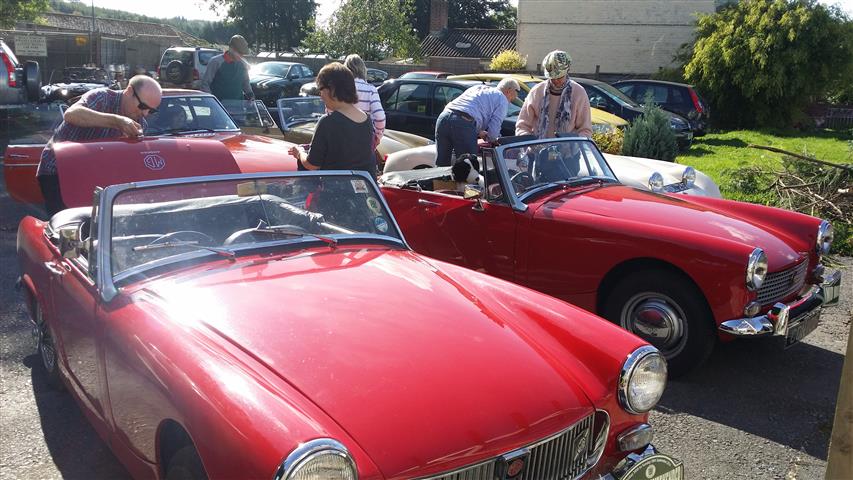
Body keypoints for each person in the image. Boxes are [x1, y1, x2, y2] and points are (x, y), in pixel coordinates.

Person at [36, 75, 162, 216]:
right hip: (57, 171)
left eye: (151, 111)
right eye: (143, 106)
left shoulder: (140, 124)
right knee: (68, 220)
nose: (145, 113)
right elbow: (71, 114)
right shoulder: (102, 97)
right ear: (129, 91)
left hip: (90, 175)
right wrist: (117, 121)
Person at [287, 62, 375, 176]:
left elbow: (312, 165)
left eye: (321, 89)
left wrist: (299, 152)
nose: (320, 95)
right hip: (365, 185)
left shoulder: (328, 122)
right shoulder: (367, 119)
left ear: (332, 89)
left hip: (337, 185)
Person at [434, 78, 519, 167]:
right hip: (462, 124)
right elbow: (493, 132)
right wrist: (494, 140)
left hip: (443, 118)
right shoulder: (502, 98)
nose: (510, 102)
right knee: (469, 166)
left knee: (441, 165)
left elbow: (468, 109)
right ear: (509, 91)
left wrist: (478, 131)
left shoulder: (478, 88)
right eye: (511, 99)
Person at [515, 50, 592, 139]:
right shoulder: (537, 91)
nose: (555, 80)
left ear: (567, 71)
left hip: (567, 148)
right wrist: (529, 142)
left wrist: (572, 144)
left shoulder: (579, 93)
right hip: (538, 147)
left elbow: (585, 130)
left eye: (559, 77)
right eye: (552, 77)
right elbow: (522, 126)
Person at [343, 54, 385, 150]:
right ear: (363, 69)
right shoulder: (370, 90)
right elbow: (380, 117)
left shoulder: (339, 89)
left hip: (342, 139)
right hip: (364, 139)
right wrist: (377, 136)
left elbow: (330, 113)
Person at [200, 35, 254, 102]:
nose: (241, 56)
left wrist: (250, 94)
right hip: (219, 107)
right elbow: (205, 84)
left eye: (242, 54)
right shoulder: (216, 62)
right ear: (231, 48)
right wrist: (212, 101)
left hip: (239, 105)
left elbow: (245, 82)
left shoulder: (243, 64)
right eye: (239, 52)